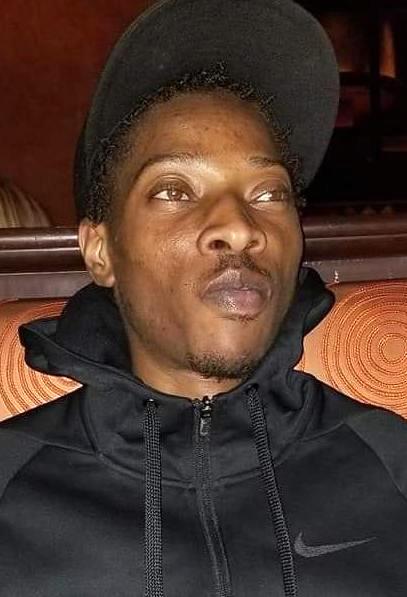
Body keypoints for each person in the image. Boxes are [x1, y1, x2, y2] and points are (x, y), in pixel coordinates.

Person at [1, 0, 407, 595]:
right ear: (101, 252)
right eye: (174, 190)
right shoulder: (11, 489)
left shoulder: (391, 466)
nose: (239, 227)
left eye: (268, 193)